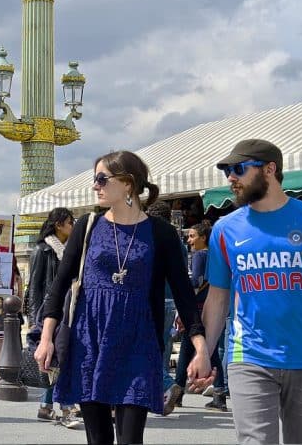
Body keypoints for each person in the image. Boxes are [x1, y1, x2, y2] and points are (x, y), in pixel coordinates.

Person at [189, 139, 302, 445]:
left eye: (238, 169)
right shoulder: (224, 229)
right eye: (227, 171)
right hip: (249, 357)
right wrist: (204, 353)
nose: (231, 178)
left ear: (270, 170)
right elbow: (217, 299)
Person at [35, 150, 209, 445]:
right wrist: (45, 337)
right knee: (97, 438)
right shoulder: (87, 227)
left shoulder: (162, 233)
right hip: (90, 339)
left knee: (131, 438)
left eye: (102, 179)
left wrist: (201, 349)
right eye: (95, 179)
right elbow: (60, 284)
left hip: (138, 341)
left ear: (128, 184)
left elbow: (184, 295)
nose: (95, 185)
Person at [26, 207, 81, 428]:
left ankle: (46, 406)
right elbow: (35, 288)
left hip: (68, 310)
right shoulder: (42, 251)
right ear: (58, 225)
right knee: (57, 358)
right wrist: (34, 320)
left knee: (56, 359)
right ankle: (66, 408)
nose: (73, 226)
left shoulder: (72, 251)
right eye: (70, 222)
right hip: (48, 314)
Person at [173, 222, 227, 411]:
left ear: (203, 238)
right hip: (210, 309)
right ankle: (180, 391)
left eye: (193, 236)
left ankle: (179, 392)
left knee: (195, 350)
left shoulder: (199, 256)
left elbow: (196, 282)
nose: (189, 240)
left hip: (197, 310)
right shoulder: (214, 256)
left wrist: (183, 308)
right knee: (195, 350)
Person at [144, 200, 187, 416]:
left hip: (153, 301)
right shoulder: (178, 241)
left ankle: (167, 384)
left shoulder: (151, 237)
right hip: (172, 302)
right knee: (162, 350)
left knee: (146, 350)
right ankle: (158, 396)